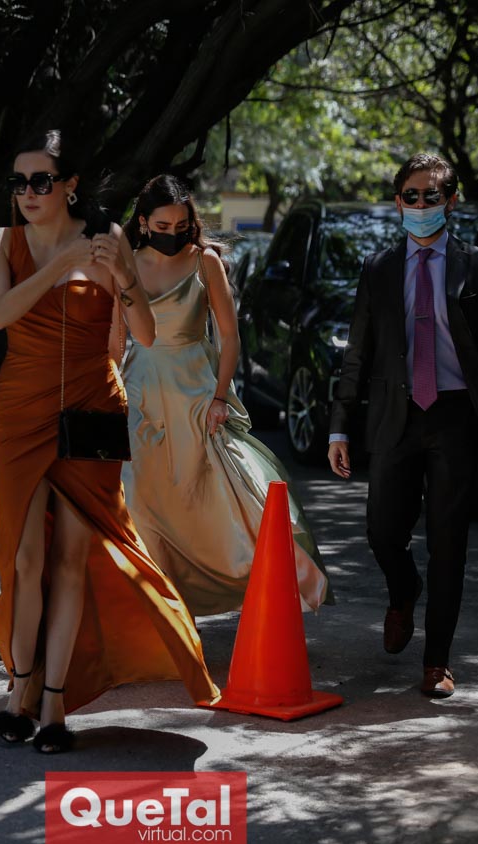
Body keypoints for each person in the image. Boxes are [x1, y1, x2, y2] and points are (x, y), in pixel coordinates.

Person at [0, 133, 220, 753]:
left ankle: (54, 706)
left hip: (93, 408)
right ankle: (19, 692)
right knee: (24, 558)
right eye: (18, 182)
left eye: (41, 181)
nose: (28, 193)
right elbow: (0, 313)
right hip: (20, 411)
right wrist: (60, 264)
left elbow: (143, 331)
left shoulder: (109, 237)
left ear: (69, 186)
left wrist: (124, 278)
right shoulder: (2, 241)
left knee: (70, 560)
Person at [327, 153, 478, 699]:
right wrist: (339, 427)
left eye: (432, 196)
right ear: (399, 202)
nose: (422, 204)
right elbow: (358, 353)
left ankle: (437, 661)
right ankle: (404, 590)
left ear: (450, 201)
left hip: (456, 417)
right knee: (381, 531)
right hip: (396, 416)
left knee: (448, 542)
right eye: (412, 196)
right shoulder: (378, 268)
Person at [120, 174, 330, 616]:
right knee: (142, 499)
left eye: (181, 227)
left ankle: (274, 577)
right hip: (140, 391)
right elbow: (113, 339)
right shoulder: (125, 264)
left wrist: (219, 397)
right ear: (143, 222)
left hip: (196, 391)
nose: (172, 235)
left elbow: (230, 338)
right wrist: (110, 394)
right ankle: (163, 610)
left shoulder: (205, 262)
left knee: (219, 494)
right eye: (162, 227)